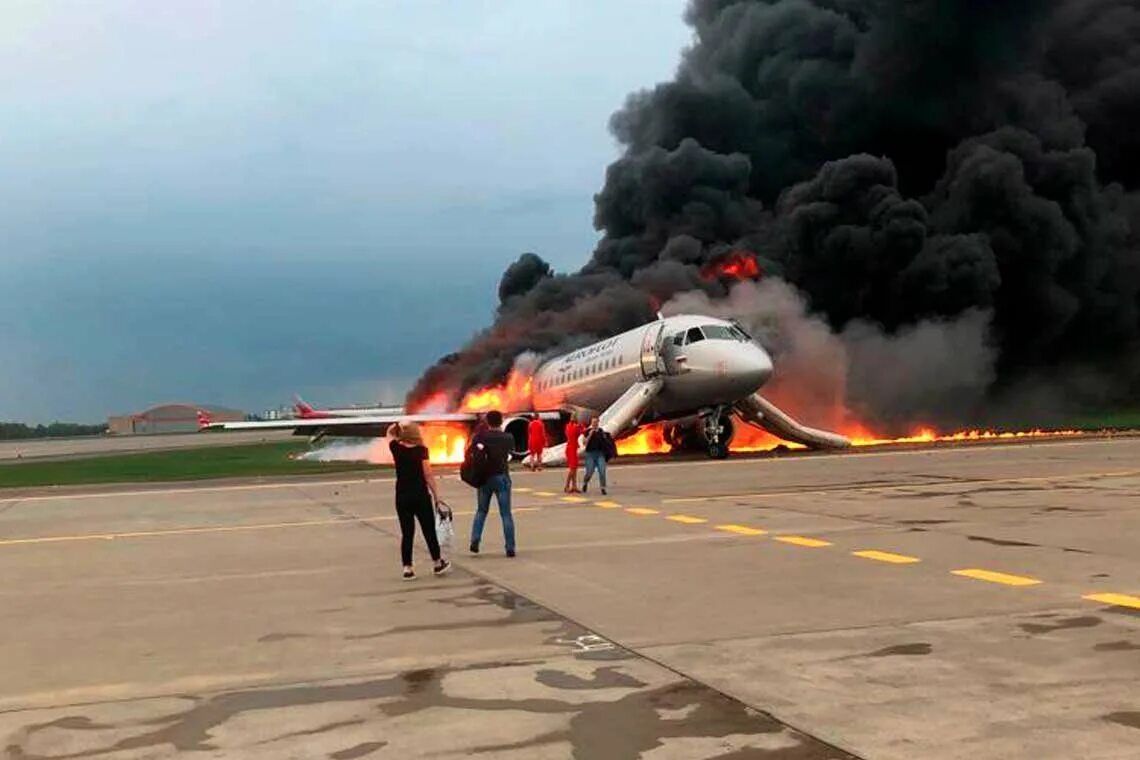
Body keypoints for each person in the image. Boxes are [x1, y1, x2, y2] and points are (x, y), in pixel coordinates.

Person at [388, 421, 451, 580]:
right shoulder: (422, 451)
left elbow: (390, 432)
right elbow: (428, 474)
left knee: (407, 533)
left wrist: (398, 425)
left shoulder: (396, 448)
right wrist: (437, 495)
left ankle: (407, 568)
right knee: (429, 531)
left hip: (402, 496)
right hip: (420, 495)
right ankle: (437, 563)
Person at [469, 410, 517, 557]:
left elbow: (471, 450)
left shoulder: (480, 436)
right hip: (502, 476)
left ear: (487, 422)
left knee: (481, 511)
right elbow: (511, 451)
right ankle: (510, 547)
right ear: (501, 421)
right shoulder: (508, 437)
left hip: (484, 478)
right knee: (506, 514)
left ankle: (475, 540)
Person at [581, 416, 610, 495]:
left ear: (598, 422)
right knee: (589, 472)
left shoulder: (601, 431)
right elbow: (584, 443)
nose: (594, 424)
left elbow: (605, 441)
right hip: (590, 454)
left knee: (602, 471)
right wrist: (590, 435)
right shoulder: (587, 431)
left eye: (596, 422)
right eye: (593, 422)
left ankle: (603, 488)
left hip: (600, 454)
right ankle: (585, 483)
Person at [563, 414, 582, 493]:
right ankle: (567, 486)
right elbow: (582, 431)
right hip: (572, 449)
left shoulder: (568, 426)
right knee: (573, 469)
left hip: (571, 448)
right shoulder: (575, 427)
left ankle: (574, 486)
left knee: (574, 468)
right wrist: (581, 426)